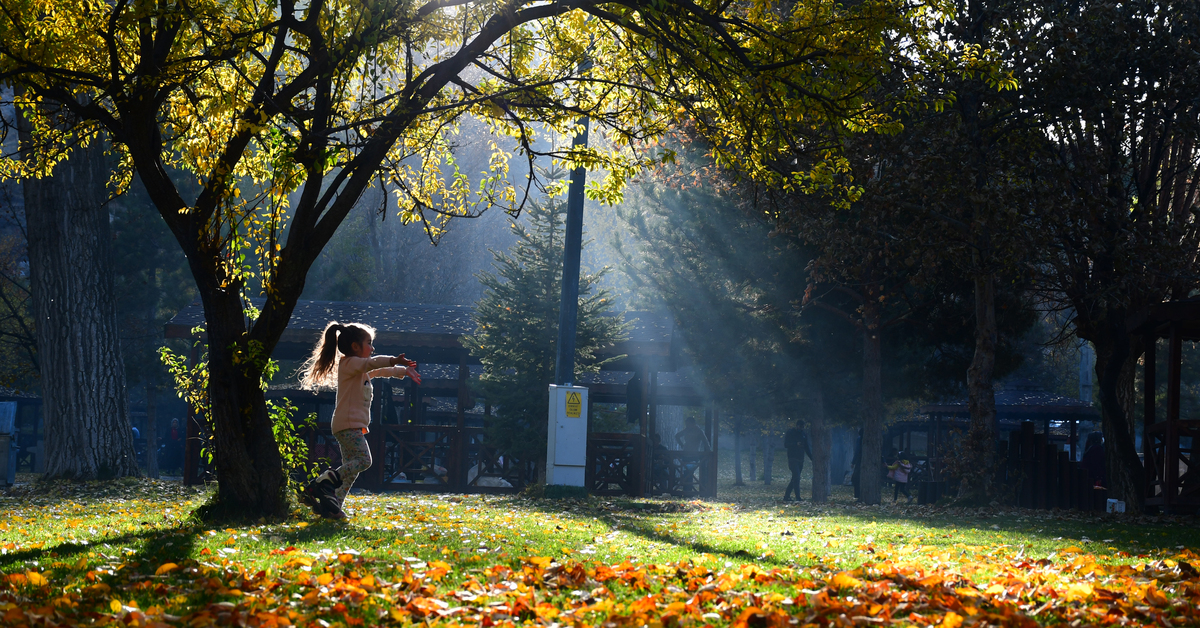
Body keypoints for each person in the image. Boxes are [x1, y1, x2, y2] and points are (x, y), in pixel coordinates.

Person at [299, 321, 421, 519]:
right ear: (355, 346)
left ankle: (332, 506)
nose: (372, 348)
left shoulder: (357, 369)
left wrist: (402, 371)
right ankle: (324, 481)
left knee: (352, 469)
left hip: (348, 425)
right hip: (348, 425)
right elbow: (373, 364)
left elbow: (377, 371)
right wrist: (393, 360)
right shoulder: (350, 364)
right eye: (369, 343)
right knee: (364, 461)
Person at [782, 419, 811, 501]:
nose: (801, 428)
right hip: (792, 458)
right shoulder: (790, 433)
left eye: (802, 427)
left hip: (800, 459)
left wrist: (812, 458)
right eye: (800, 426)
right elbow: (786, 444)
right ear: (797, 426)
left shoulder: (804, 434)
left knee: (795, 478)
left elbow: (807, 447)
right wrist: (795, 444)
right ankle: (798, 497)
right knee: (797, 477)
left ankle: (786, 496)